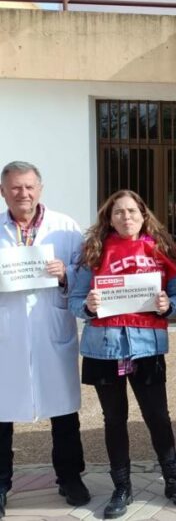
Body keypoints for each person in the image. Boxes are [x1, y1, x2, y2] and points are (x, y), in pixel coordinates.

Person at [70, 189, 176, 519]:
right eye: (118, 212)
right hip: (104, 348)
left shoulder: (160, 249)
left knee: (158, 417)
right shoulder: (94, 252)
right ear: (109, 219)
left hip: (146, 346)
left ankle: (173, 480)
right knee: (114, 420)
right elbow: (75, 300)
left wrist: (169, 305)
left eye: (131, 211)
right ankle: (122, 487)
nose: (126, 217)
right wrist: (88, 306)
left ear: (143, 215)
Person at [0, 161, 90, 518]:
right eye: (15, 187)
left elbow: (85, 275)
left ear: (40, 189)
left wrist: (66, 274)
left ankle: (70, 478)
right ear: (3, 192)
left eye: (28, 186)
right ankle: (1, 483)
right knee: (1, 414)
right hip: (7, 334)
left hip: (51, 330)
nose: (23, 193)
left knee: (63, 411)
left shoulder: (65, 227)